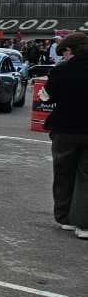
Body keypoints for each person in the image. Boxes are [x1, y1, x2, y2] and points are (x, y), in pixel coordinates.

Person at [45, 32, 88, 238]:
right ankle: (84, 224)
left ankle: (65, 218)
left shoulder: (62, 71)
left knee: (64, 172)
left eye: (63, 52)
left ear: (70, 50)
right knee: (86, 176)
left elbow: (45, 97)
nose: (62, 56)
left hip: (66, 129)